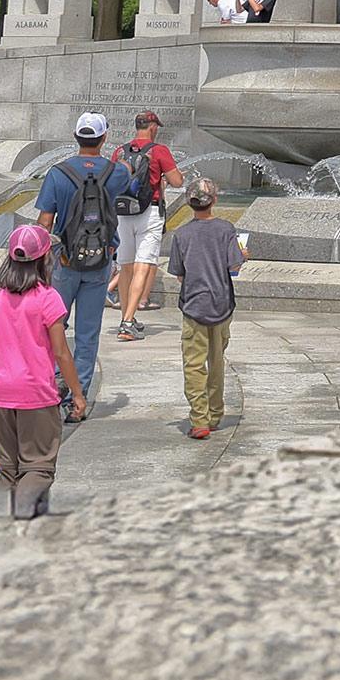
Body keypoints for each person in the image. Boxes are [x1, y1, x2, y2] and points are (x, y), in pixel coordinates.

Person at [33, 115, 132, 413]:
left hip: (64, 261)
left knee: (53, 327)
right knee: (88, 333)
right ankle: (79, 398)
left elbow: (45, 222)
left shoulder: (57, 173)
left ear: (75, 137)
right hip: (100, 261)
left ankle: (53, 387)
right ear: (104, 139)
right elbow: (129, 174)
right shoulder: (115, 173)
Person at [0, 223, 85, 519]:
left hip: (2, 392)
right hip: (36, 394)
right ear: (45, 260)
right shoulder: (47, 298)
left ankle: (5, 520)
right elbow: (61, 352)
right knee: (39, 467)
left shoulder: (0, 299)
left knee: (9, 468)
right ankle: (21, 517)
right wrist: (77, 394)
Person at [168, 177, 245, 439]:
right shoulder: (226, 229)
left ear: (190, 204)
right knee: (216, 362)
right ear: (215, 201)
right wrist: (242, 256)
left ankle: (199, 419)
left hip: (193, 306)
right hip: (222, 304)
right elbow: (233, 266)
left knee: (193, 365)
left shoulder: (182, 234)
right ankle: (215, 413)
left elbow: (179, 275)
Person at [110, 111, 184, 343]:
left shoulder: (119, 151)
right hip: (149, 212)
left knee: (125, 266)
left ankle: (126, 316)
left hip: (122, 212)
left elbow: (112, 180)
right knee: (143, 266)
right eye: (156, 126)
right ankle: (128, 321)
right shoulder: (159, 151)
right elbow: (178, 181)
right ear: (152, 127)